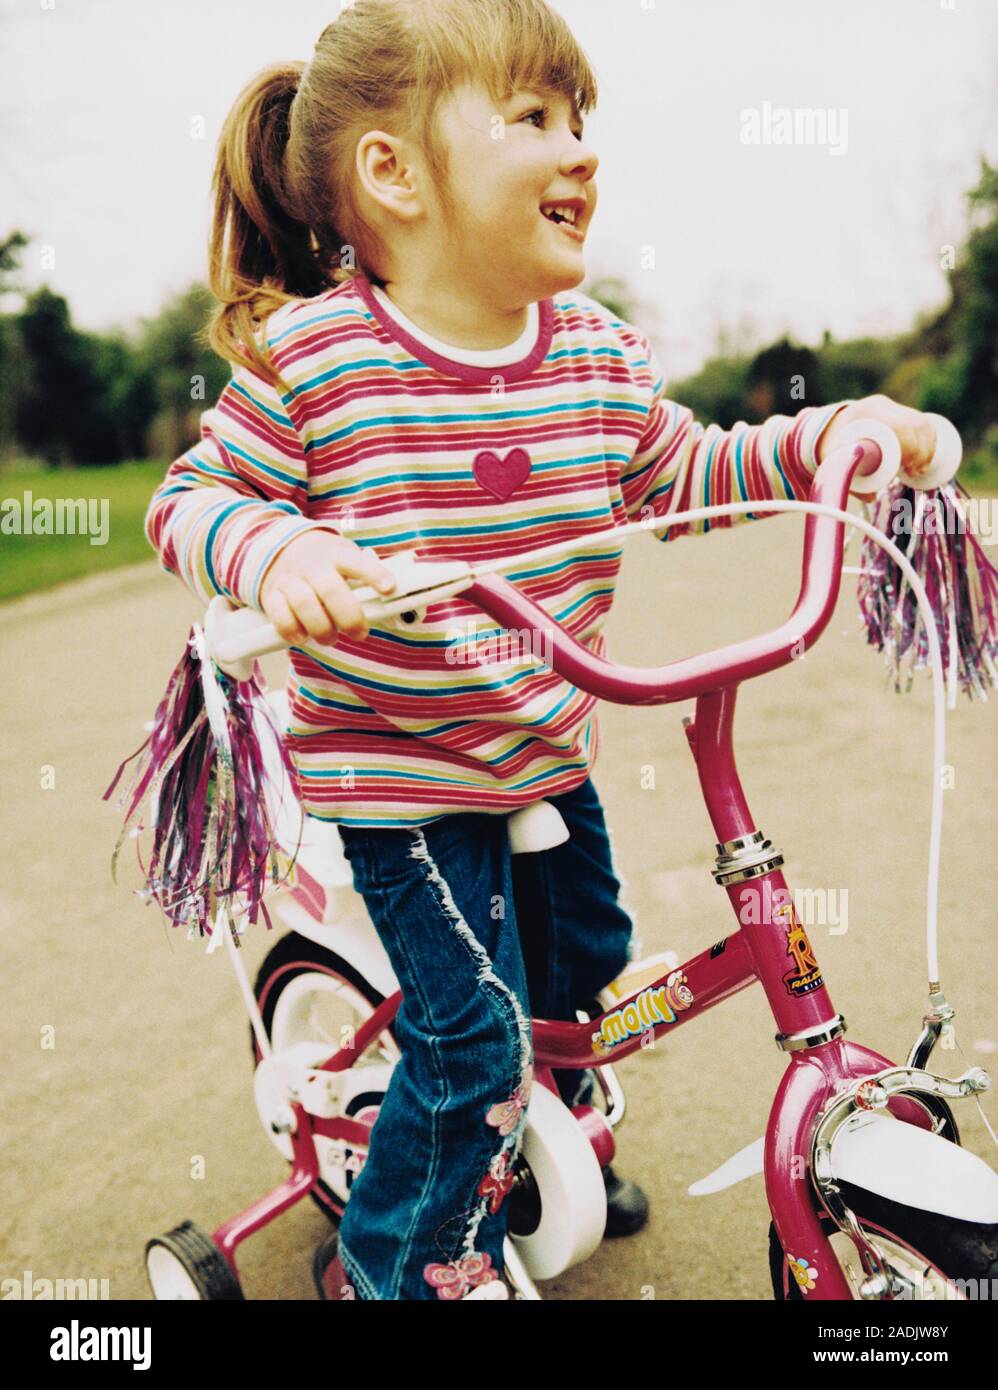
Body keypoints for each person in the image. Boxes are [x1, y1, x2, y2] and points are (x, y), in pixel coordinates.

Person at [144, 0, 937, 1301]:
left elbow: (681, 471)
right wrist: (275, 554)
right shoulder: (318, 364)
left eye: (582, 121)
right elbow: (194, 498)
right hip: (401, 777)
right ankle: (389, 1257)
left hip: (541, 751)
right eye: (532, 119)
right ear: (391, 173)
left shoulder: (594, 353)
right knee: (475, 1036)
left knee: (582, 968)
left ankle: (514, 1149)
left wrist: (829, 438)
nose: (580, 151)